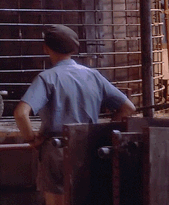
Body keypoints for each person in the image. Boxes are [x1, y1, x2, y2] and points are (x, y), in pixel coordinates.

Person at [13, 24, 136, 205]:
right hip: (90, 149)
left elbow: (21, 114)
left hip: (57, 149)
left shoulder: (47, 78)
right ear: (73, 48)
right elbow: (129, 108)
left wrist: (32, 139)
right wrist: (106, 130)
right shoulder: (93, 76)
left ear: (46, 48)